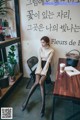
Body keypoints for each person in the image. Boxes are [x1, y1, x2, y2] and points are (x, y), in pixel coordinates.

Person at [22, 36, 54, 117]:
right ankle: (26, 102)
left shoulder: (52, 50)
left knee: (41, 83)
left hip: (46, 67)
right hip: (40, 66)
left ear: (47, 42)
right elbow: (40, 60)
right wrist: (39, 71)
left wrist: (43, 72)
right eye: (41, 42)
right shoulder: (40, 49)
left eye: (43, 42)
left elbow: (47, 63)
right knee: (36, 82)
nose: (42, 44)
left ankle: (43, 106)